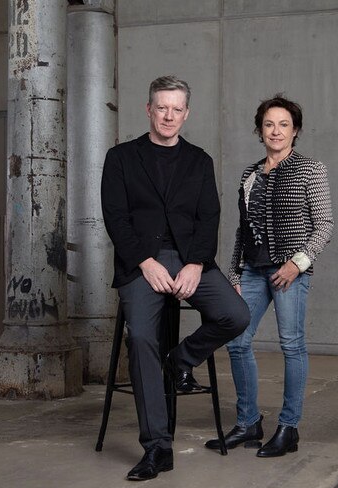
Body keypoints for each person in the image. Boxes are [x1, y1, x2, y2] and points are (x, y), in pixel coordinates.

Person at [101, 75, 250, 481]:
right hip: (141, 262)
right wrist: (144, 262)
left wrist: (196, 264)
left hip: (189, 260)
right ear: (149, 109)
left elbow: (209, 218)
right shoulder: (121, 158)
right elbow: (115, 218)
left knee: (235, 314)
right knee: (143, 338)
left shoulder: (199, 160)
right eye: (161, 107)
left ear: (187, 113)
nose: (169, 115)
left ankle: (179, 360)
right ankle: (157, 448)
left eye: (177, 109)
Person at [205, 94, 333, 457]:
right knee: (237, 341)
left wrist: (298, 263)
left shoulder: (311, 169)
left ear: (296, 131)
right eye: (268, 124)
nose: (276, 131)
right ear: (259, 130)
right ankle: (248, 423)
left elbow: (324, 225)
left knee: (291, 345)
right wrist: (233, 272)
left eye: (284, 125)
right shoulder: (249, 174)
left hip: (289, 272)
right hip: (252, 271)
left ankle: (289, 427)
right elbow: (241, 231)